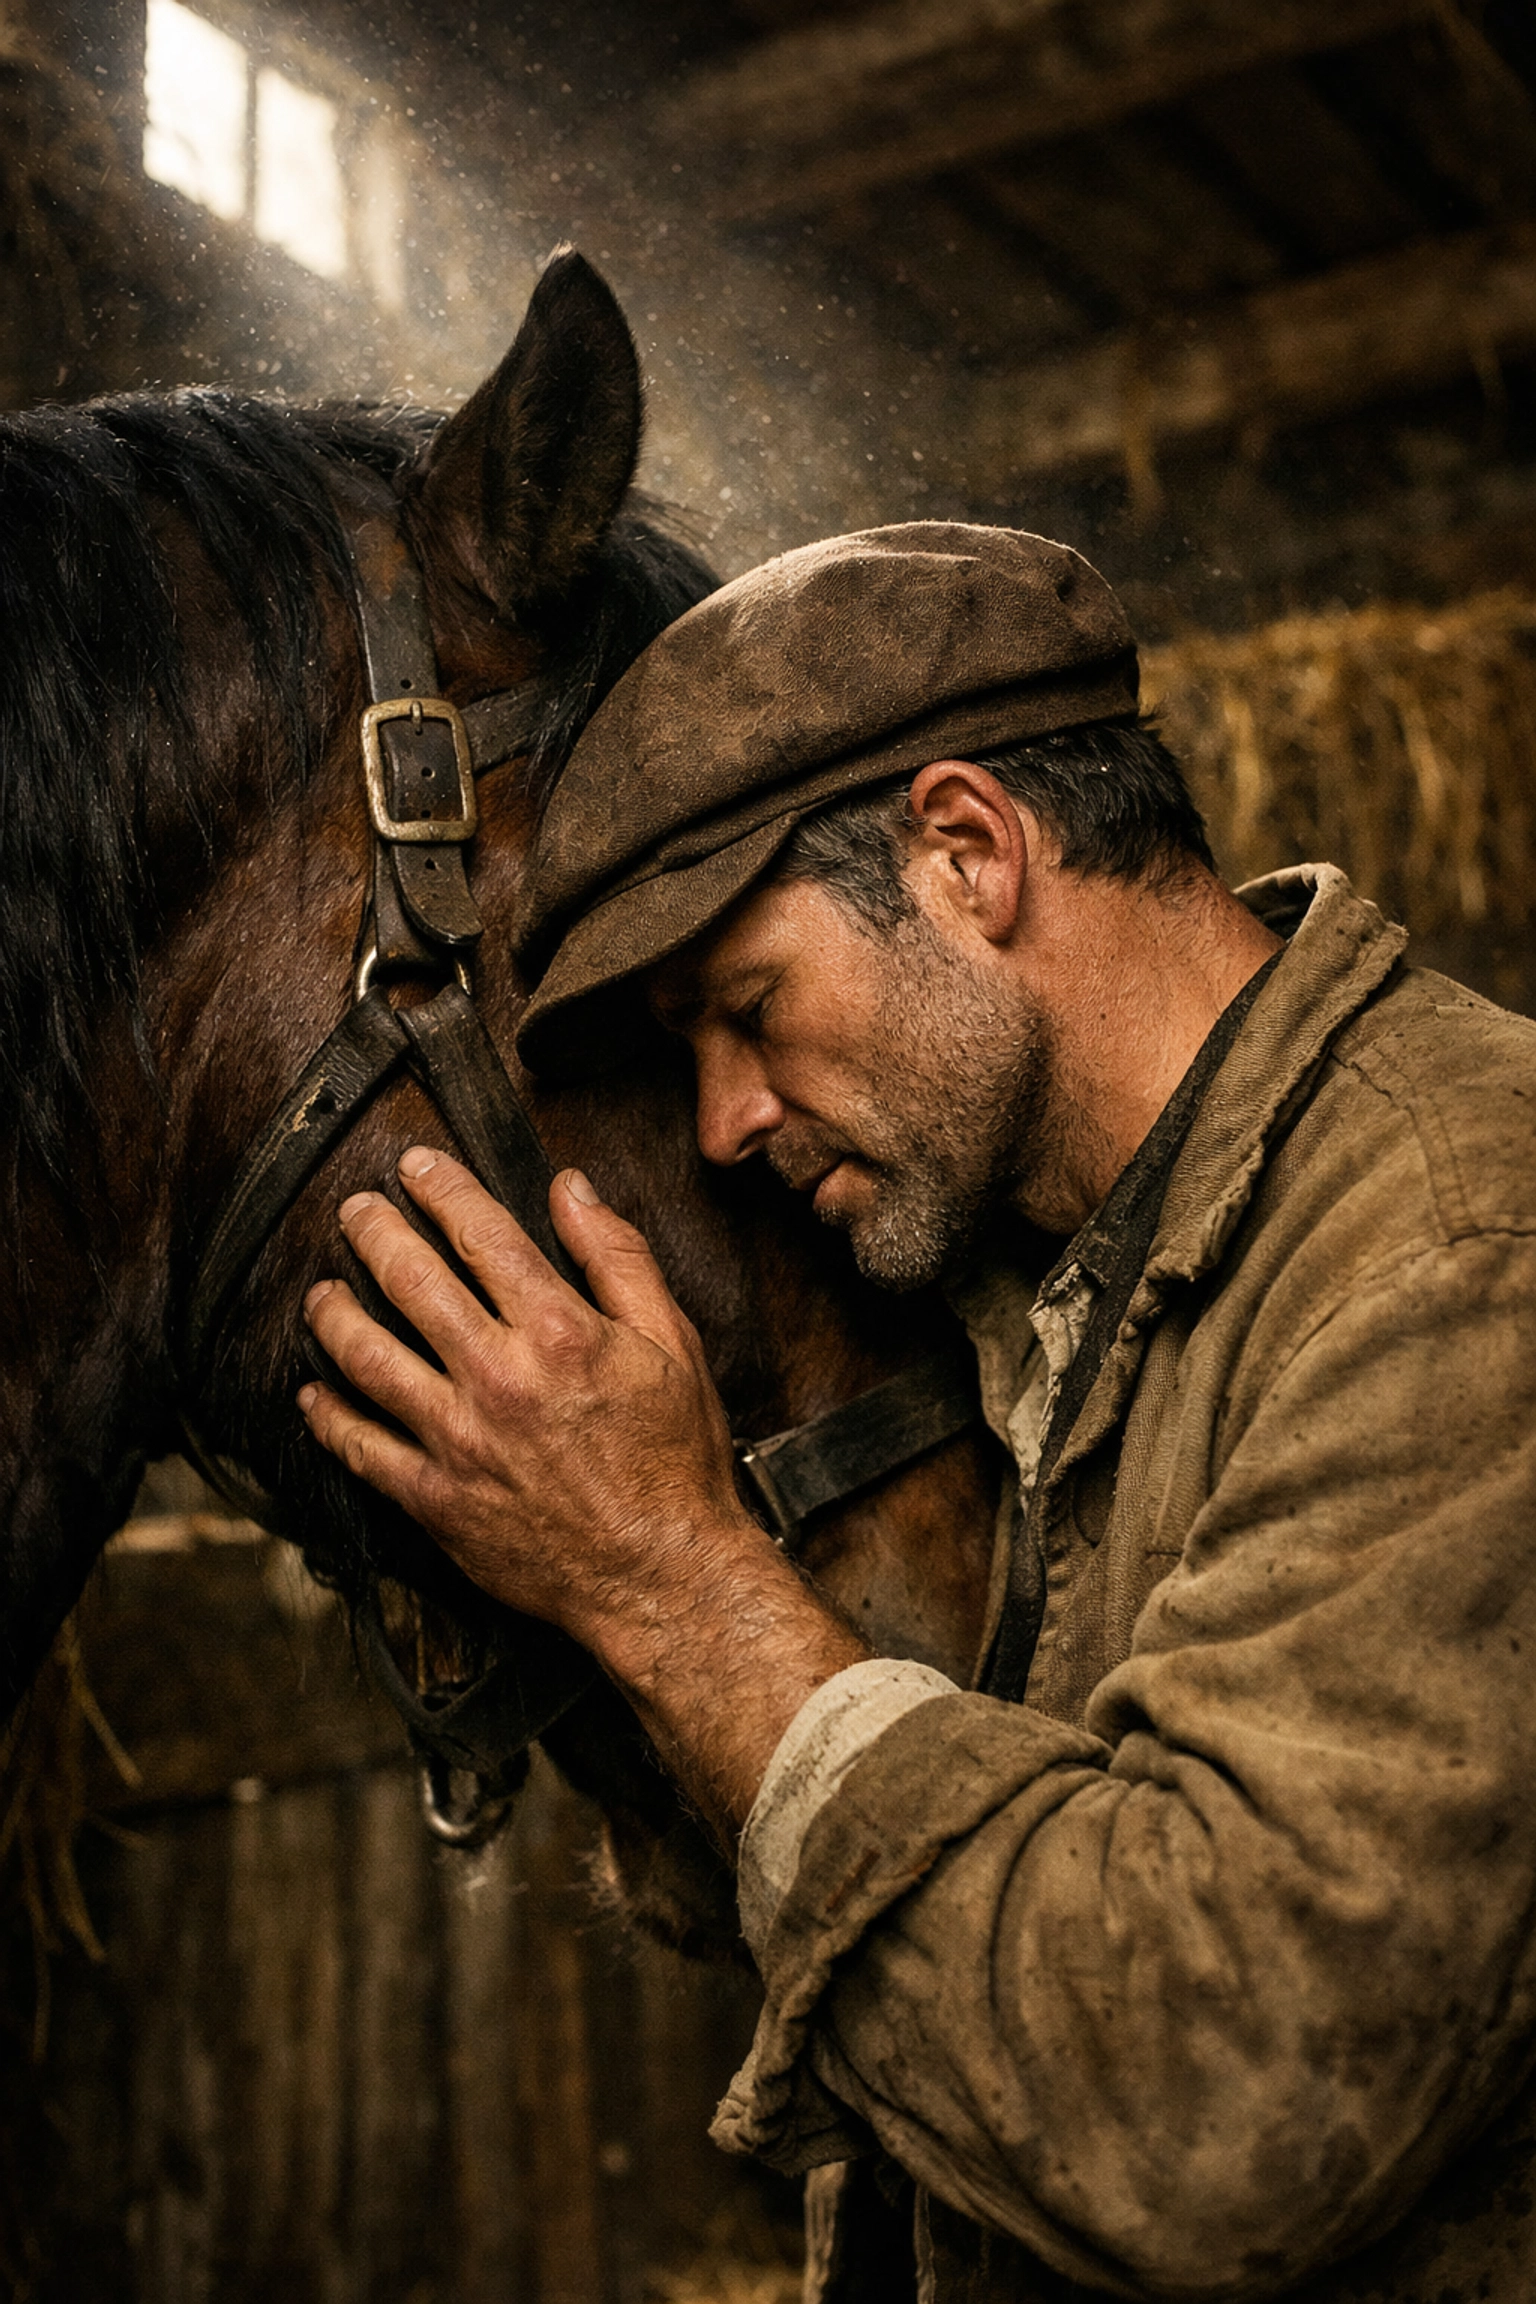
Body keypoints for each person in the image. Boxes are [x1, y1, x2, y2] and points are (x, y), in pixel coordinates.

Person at [296, 525, 1536, 2303]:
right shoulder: (1045, 1292)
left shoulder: (1455, 1242)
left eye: (747, 1009)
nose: (723, 1122)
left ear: (969, 855)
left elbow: (1221, 2108)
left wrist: (668, 1576)